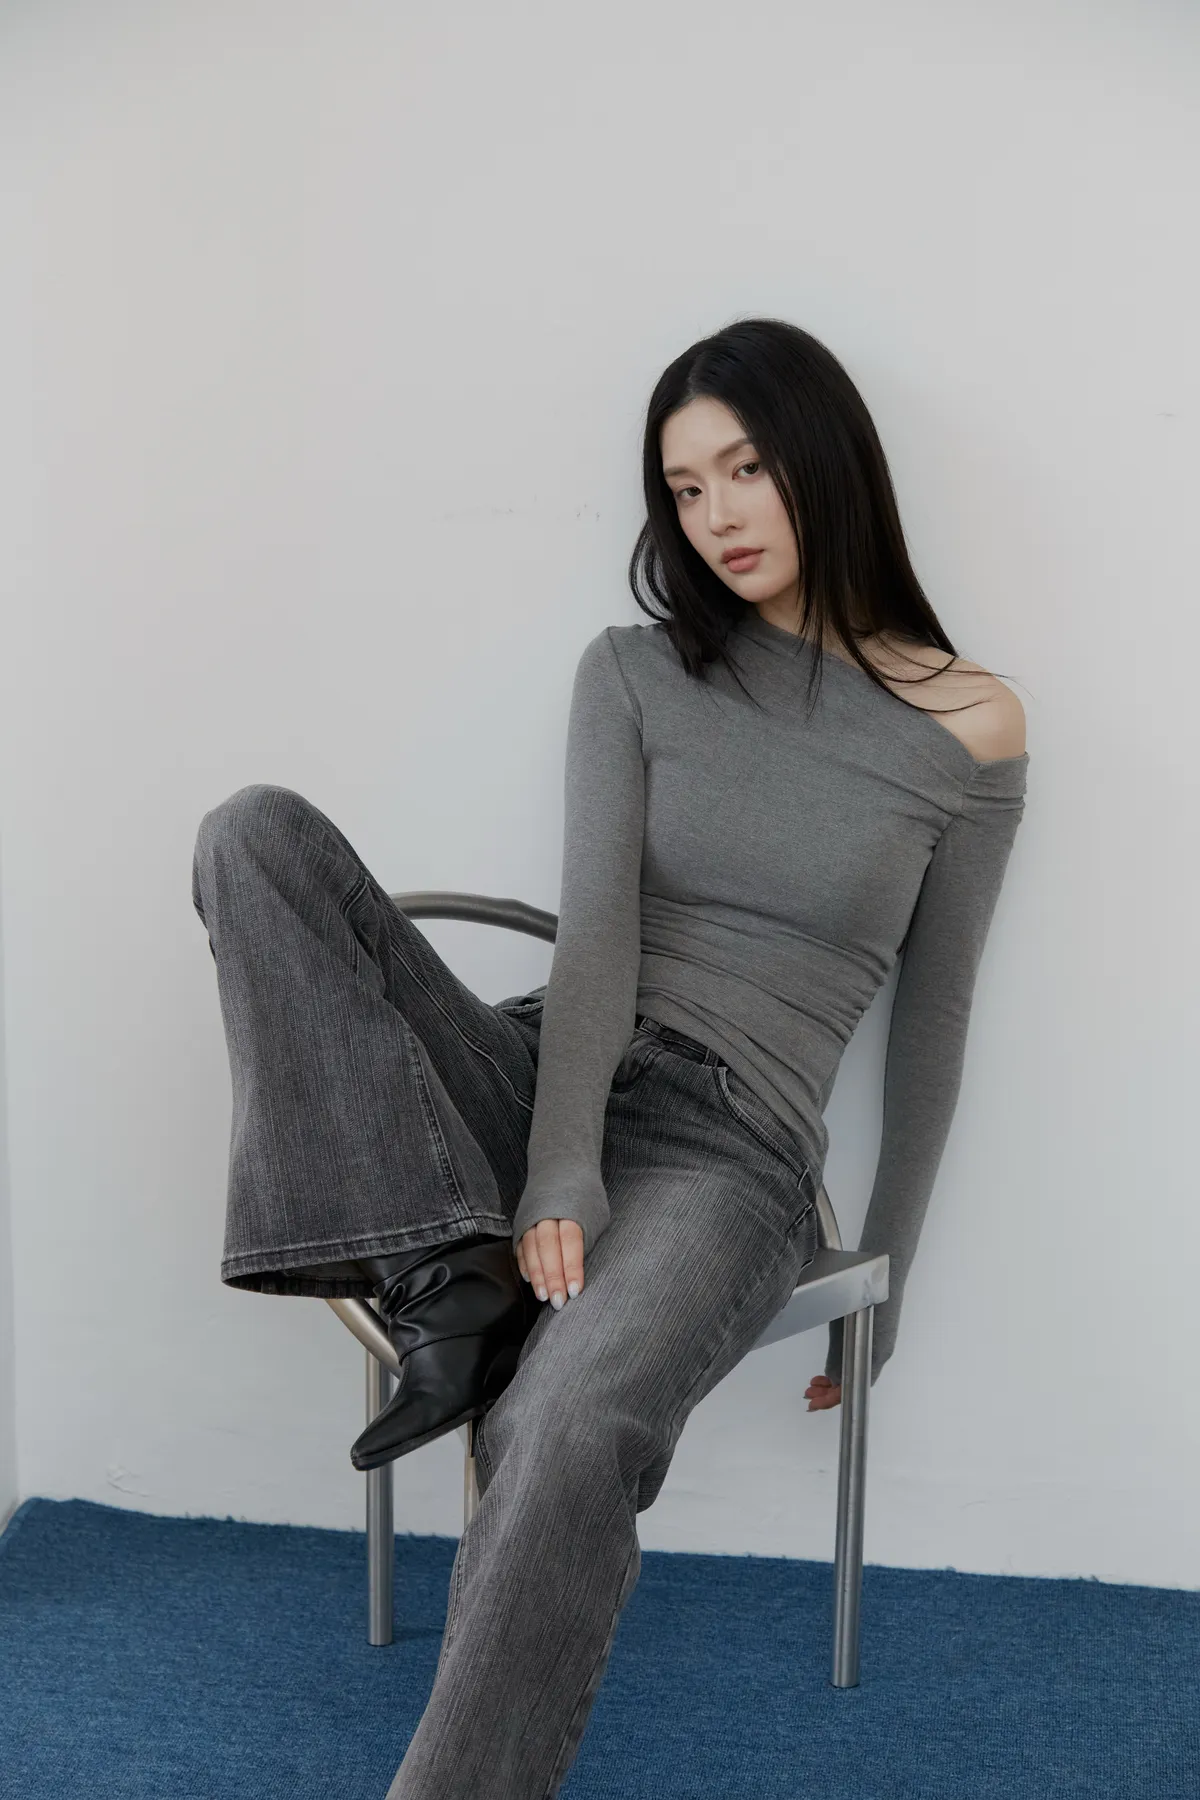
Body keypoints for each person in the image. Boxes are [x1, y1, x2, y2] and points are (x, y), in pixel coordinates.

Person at [190, 316, 1029, 1798]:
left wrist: (888, 1275)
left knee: (564, 1422)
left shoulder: (970, 725)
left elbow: (937, 1017)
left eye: (745, 470)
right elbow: (596, 942)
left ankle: (455, 1309)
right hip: (544, 1075)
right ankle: (447, 1270)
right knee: (253, 836)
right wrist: (560, 1166)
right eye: (685, 489)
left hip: (730, 1148)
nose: (716, 517)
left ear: (824, 459)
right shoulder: (636, 672)